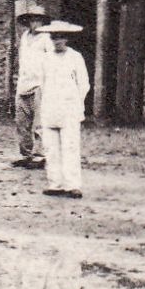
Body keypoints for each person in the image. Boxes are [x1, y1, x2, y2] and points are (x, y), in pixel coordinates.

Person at [34, 19, 91, 198]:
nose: (57, 41)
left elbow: (84, 84)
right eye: (54, 37)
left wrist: (74, 102)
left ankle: (72, 185)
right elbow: (41, 84)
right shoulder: (45, 58)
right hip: (50, 107)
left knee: (70, 146)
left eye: (61, 38)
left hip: (69, 108)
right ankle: (55, 183)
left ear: (66, 39)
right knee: (51, 148)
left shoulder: (75, 57)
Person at [12, 0, 50, 170]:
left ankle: (40, 155)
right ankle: (26, 154)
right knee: (21, 122)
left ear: (43, 21)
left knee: (40, 122)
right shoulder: (25, 37)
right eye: (32, 20)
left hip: (40, 84)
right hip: (23, 83)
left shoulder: (47, 38)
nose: (35, 23)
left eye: (38, 20)